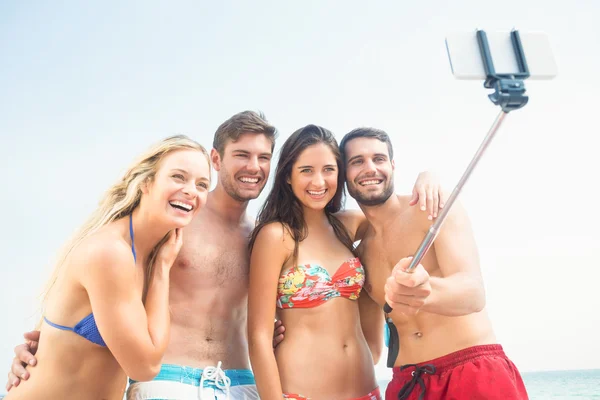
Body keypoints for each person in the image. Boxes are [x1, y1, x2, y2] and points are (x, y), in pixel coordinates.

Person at [5, 113, 444, 400]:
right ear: (217, 159)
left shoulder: (264, 236)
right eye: (241, 155)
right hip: (169, 380)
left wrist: (426, 176)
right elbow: (99, 281)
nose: (253, 166)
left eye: (262, 158)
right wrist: (45, 339)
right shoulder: (174, 223)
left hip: (241, 381)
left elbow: (381, 217)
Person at [3, 135, 212, 400]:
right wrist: (161, 270)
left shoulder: (156, 250)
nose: (191, 190)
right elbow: (145, 367)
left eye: (202, 184)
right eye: (178, 177)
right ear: (146, 183)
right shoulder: (111, 252)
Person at [247, 124, 446, 400]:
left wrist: (428, 176)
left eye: (328, 170)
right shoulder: (276, 237)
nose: (319, 182)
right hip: (301, 392)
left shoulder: (350, 225)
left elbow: (397, 215)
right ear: (288, 177)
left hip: (367, 390)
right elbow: (258, 336)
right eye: (306, 170)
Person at [339, 127, 529, 400]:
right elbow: (369, 346)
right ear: (344, 173)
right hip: (408, 383)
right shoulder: (360, 254)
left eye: (379, 159)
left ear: (392, 166)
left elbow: (473, 293)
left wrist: (426, 291)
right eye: (357, 161)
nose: (370, 168)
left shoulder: (432, 209)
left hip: (471, 370)